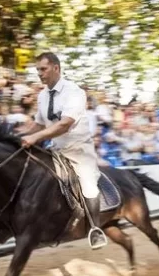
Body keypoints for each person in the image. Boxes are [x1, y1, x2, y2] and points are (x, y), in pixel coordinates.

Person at [18, 52, 105, 249]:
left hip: (78, 150)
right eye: (38, 70)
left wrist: (34, 138)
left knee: (88, 182)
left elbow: (64, 125)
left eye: (43, 69)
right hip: (54, 149)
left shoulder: (74, 92)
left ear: (56, 68)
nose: (40, 74)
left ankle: (95, 228)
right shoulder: (41, 95)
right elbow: (39, 125)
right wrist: (19, 136)